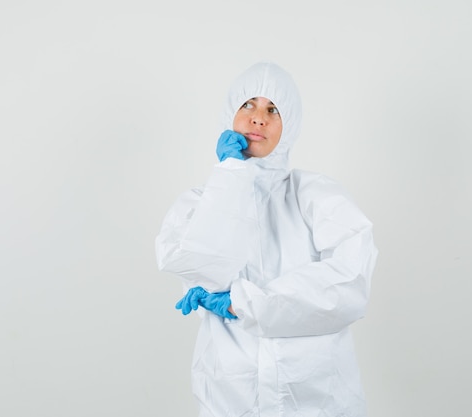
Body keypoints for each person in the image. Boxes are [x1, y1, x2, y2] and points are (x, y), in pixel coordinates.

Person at [155, 62, 378, 417]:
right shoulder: (200, 203)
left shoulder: (316, 196)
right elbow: (203, 264)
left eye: (273, 109)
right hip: (230, 395)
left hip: (316, 397)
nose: (258, 119)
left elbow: (348, 284)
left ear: (289, 125)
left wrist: (244, 303)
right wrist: (230, 177)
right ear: (231, 113)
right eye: (248, 105)